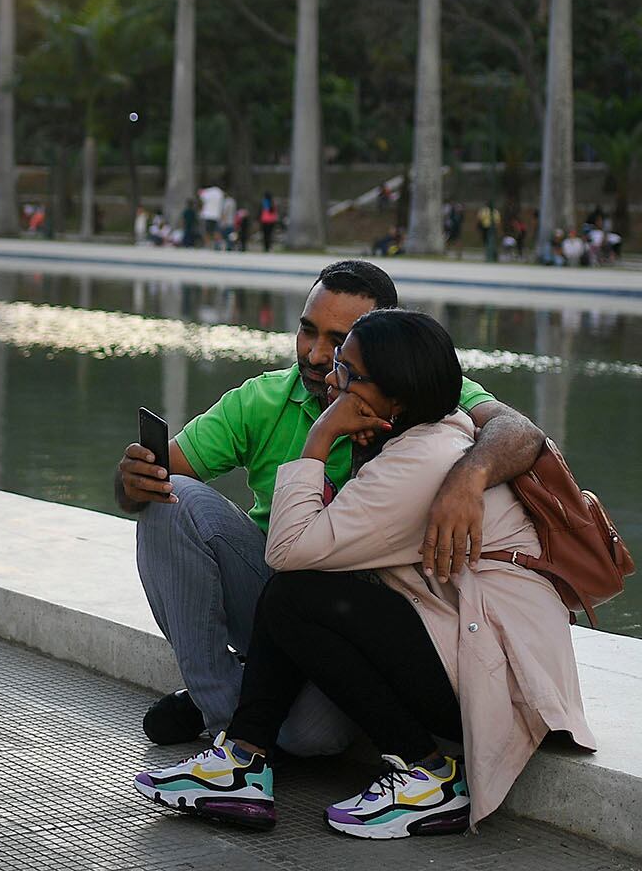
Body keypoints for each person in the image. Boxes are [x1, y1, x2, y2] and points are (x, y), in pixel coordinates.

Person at [134, 308, 591, 838]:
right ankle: (241, 760)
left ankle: (429, 774)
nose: (330, 375)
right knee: (305, 592)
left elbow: (287, 550)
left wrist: (321, 435)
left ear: (395, 398)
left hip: (494, 680)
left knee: (296, 592)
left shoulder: (420, 465)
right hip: (470, 648)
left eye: (348, 372)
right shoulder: (427, 437)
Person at [115, 261, 546, 758]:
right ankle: (223, 723)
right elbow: (155, 481)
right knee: (172, 502)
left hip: (360, 623)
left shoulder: (421, 393)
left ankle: (243, 703)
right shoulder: (264, 398)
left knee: (310, 739)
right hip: (277, 587)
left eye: (339, 342)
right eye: (307, 330)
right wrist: (132, 481)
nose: (317, 355)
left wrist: (467, 477)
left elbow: (521, 433)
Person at [199, 184, 227, 249]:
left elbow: (201, 199)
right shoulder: (220, 193)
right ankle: (219, 244)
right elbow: (221, 205)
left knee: (207, 232)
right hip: (216, 215)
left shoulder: (206, 192)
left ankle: (207, 245)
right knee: (216, 231)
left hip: (207, 215)